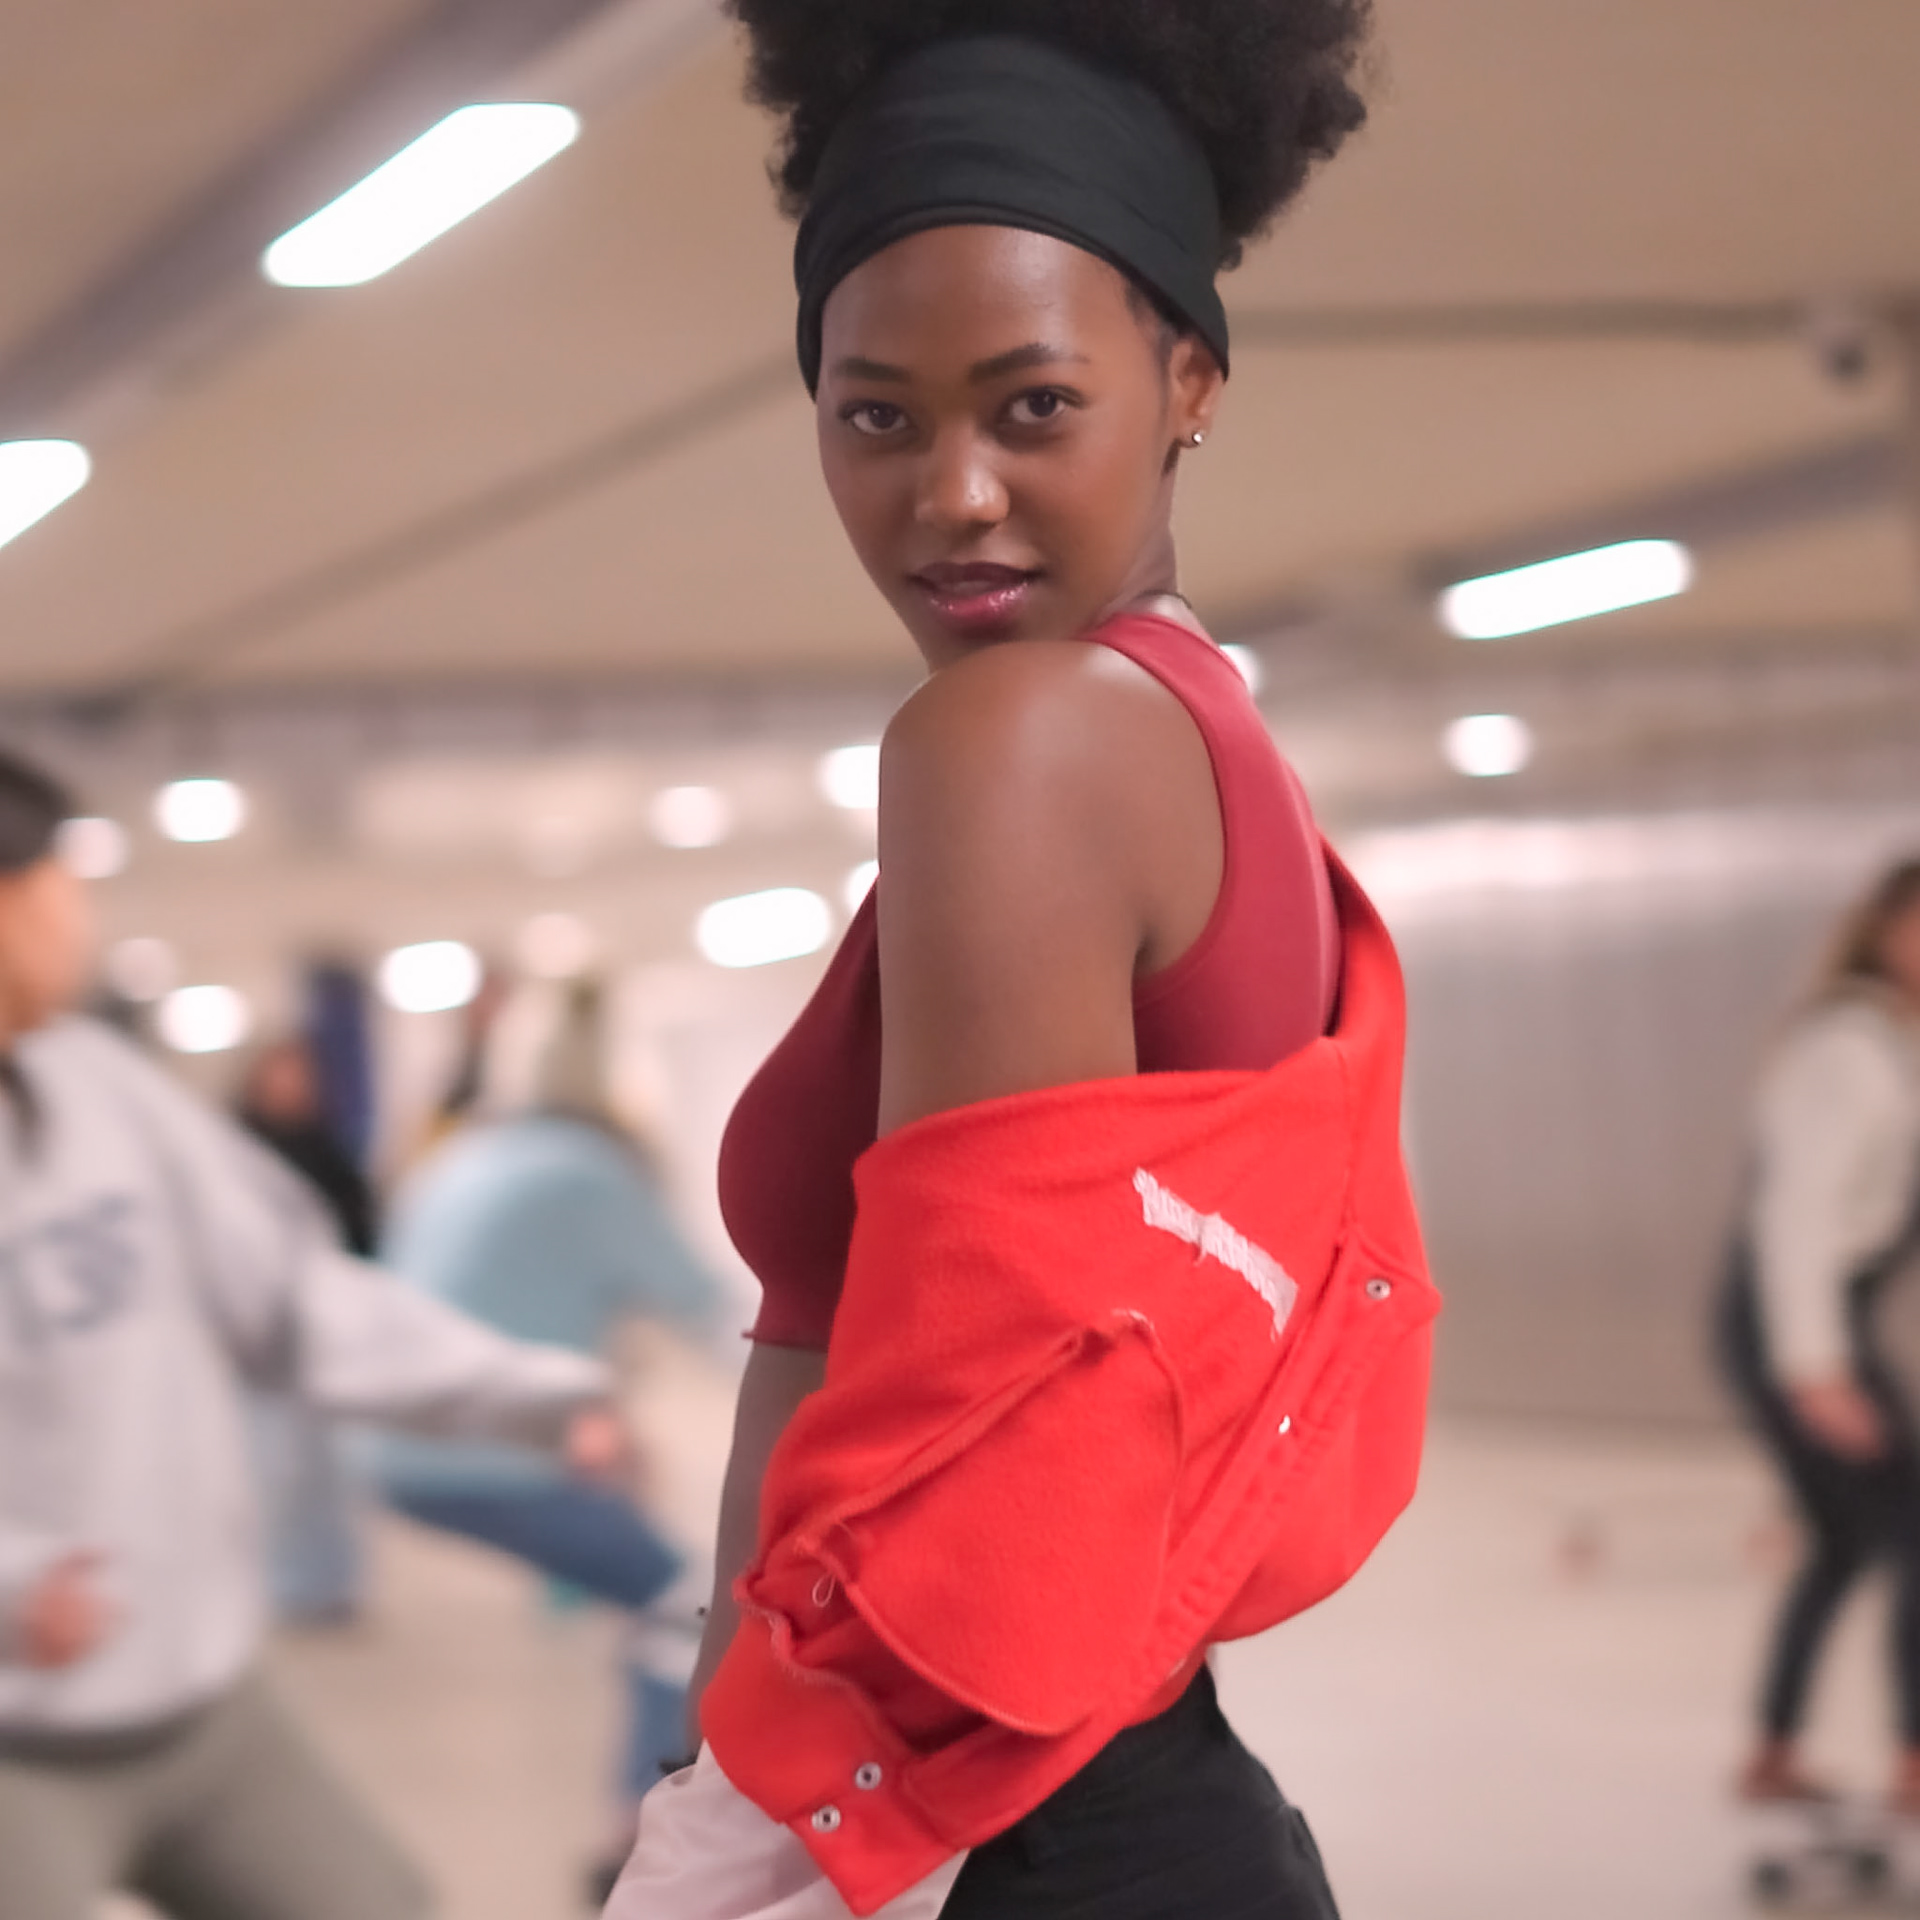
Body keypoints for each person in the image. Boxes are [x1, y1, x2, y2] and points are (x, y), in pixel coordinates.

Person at [607, 6, 1439, 1918]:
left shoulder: (1024, 740)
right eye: (877, 416)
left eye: (1031, 406)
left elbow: (990, 1431)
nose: (952, 491)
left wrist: (733, 1852)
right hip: (1091, 1813)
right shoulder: (1193, 737)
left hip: (983, 1829)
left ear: (1188, 381)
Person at [0, 745, 631, 1920]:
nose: (73, 917)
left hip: (199, 1705)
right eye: (51, 886)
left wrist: (530, 1395)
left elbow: (301, 1297)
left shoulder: (97, 1088)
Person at [369, 977, 724, 1896]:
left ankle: (642, 1809)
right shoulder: (587, 1171)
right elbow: (711, 1309)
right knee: (687, 1602)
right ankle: (635, 1837)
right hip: (483, 1456)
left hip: (405, 1446)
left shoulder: (466, 1155)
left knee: (647, 1589)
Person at [1720, 859, 1920, 1811]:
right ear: (1884, 931)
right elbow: (1793, 1219)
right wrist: (1817, 1370)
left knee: (1843, 1539)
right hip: (1793, 1318)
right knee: (1906, 1525)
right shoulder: (1847, 1047)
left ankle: (1773, 1749)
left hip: (1821, 1314)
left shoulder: (1896, 1044)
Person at [238, 1033, 382, 1627]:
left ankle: (326, 1582)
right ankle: (268, 1582)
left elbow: (363, 1232)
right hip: (256, 1334)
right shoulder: (232, 1151)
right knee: (267, 1463)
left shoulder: (331, 1154)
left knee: (327, 1467)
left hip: (325, 1331)